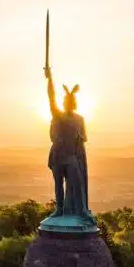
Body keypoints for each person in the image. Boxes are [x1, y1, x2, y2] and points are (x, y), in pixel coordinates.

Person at [45, 65, 94, 221]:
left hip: (72, 156)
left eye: (70, 101)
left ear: (74, 103)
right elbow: (51, 97)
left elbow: (83, 139)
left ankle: (82, 211)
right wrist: (50, 78)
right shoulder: (58, 116)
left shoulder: (80, 119)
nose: (68, 103)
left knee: (77, 183)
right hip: (58, 155)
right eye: (66, 100)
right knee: (58, 184)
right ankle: (59, 209)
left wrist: (79, 138)